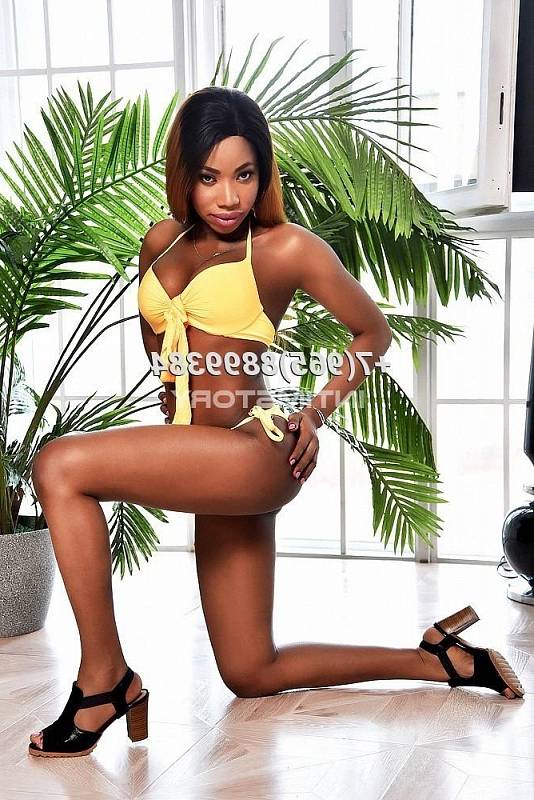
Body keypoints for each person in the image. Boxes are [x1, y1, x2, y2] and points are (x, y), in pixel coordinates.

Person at [28, 86, 523, 758]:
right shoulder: (161, 241)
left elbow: (372, 333)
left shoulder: (286, 248)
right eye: (209, 177)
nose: (228, 196)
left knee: (59, 464)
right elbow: (160, 345)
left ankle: (103, 681)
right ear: (185, 175)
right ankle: (441, 659)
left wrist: (314, 411)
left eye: (244, 175)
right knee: (250, 671)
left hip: (251, 449)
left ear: (263, 175)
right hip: (199, 454)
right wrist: (175, 397)